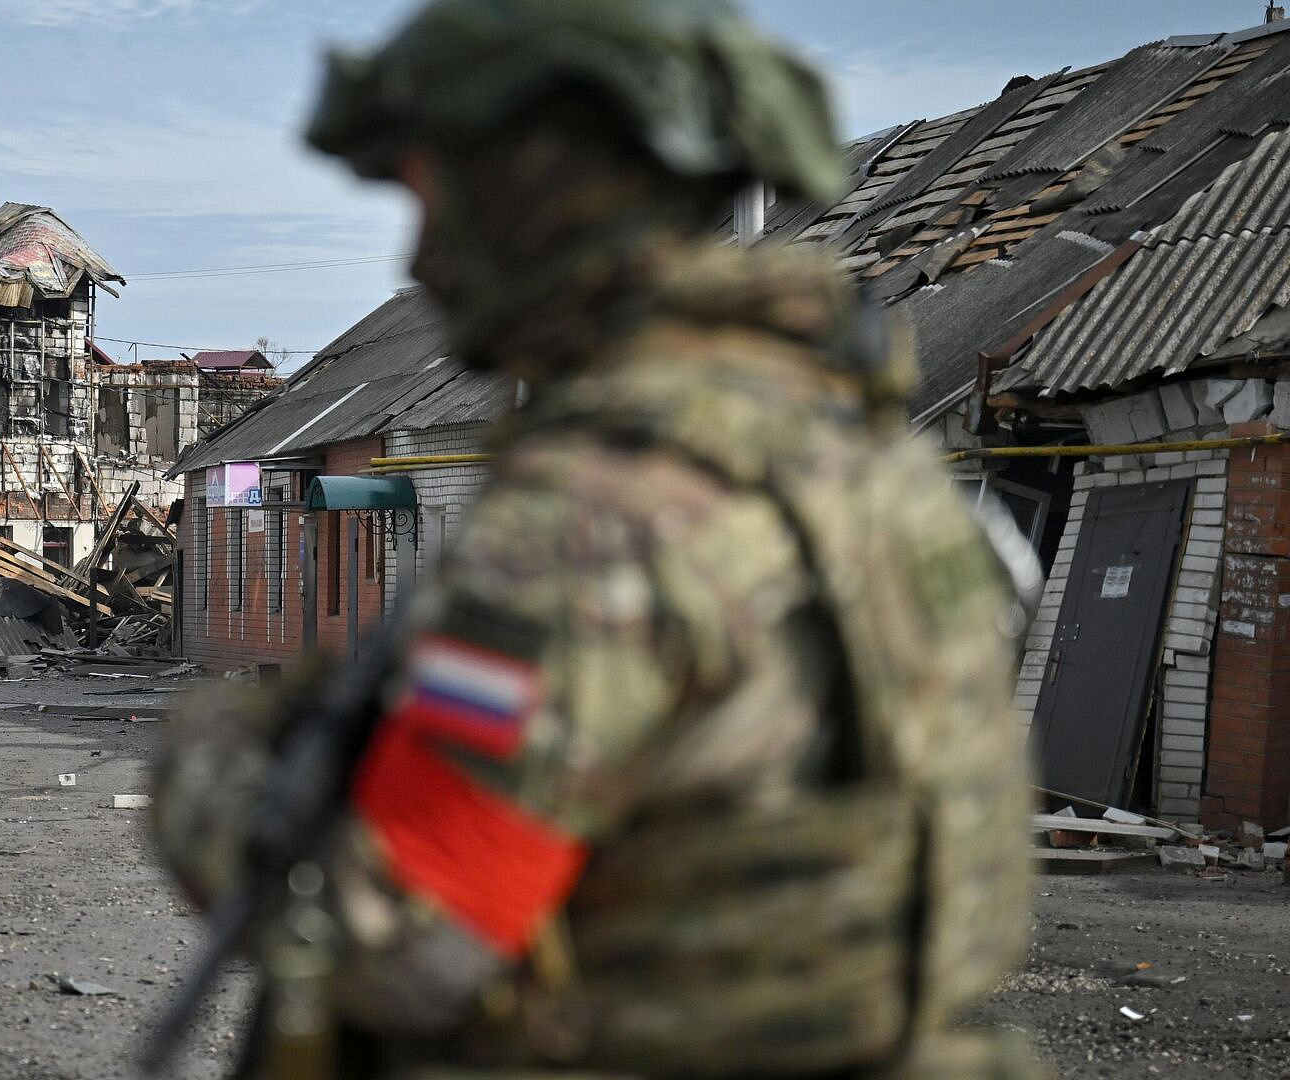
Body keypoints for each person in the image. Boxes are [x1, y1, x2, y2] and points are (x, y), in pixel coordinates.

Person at [153, 1, 1046, 1077]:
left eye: (439, 198)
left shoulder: (592, 523)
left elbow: (399, 942)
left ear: (541, 196)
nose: (422, 259)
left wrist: (211, 760)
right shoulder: (865, 457)